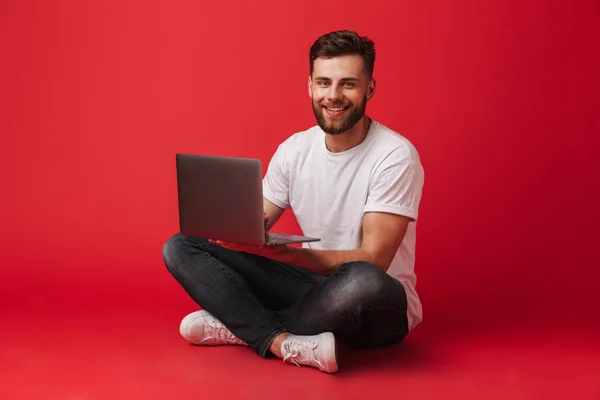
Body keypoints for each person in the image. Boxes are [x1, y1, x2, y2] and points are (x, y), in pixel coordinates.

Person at [162, 29, 425, 374]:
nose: (333, 96)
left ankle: (241, 327)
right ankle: (281, 340)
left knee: (363, 279)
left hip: (377, 305)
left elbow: (374, 259)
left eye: (348, 83)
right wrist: (236, 230)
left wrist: (287, 254)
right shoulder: (294, 150)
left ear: (369, 89)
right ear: (310, 86)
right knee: (182, 244)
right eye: (324, 83)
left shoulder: (394, 155)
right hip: (312, 286)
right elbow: (256, 221)